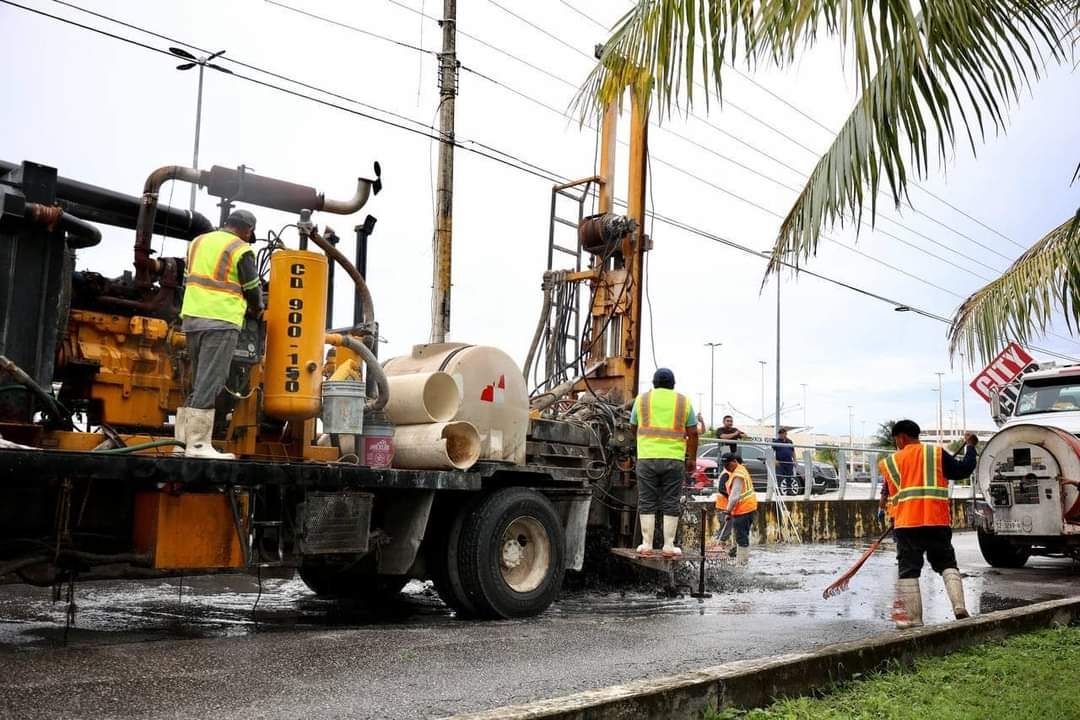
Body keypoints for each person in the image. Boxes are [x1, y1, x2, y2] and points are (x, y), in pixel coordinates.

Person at [174, 209, 263, 460]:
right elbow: (252, 288)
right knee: (211, 381)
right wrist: (258, 309)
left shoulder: (197, 242)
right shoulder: (240, 248)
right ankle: (199, 446)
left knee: (198, 381)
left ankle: (182, 444)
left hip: (192, 320)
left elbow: (186, 280)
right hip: (221, 320)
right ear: (247, 229)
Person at [879, 419, 977, 628]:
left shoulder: (890, 462)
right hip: (936, 521)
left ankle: (915, 620)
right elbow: (963, 470)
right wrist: (970, 447)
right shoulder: (936, 454)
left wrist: (889, 513)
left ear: (901, 437)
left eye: (896, 440)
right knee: (947, 563)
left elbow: (890, 495)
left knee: (908, 570)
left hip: (907, 524)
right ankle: (959, 606)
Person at [630, 368, 698, 557]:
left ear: (653, 383)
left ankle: (646, 545)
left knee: (647, 501)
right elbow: (693, 432)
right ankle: (668, 546)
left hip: (646, 458)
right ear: (673, 384)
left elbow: (632, 426)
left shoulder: (642, 400)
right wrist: (691, 458)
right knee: (671, 501)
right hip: (674, 459)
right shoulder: (683, 401)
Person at [717, 452, 757, 565]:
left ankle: (742, 563)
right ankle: (742, 561)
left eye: (728, 465)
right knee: (742, 535)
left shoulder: (737, 474)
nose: (726, 468)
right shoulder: (739, 470)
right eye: (724, 465)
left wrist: (727, 511)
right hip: (747, 508)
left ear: (734, 462)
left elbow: (734, 496)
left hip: (743, 509)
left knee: (741, 537)